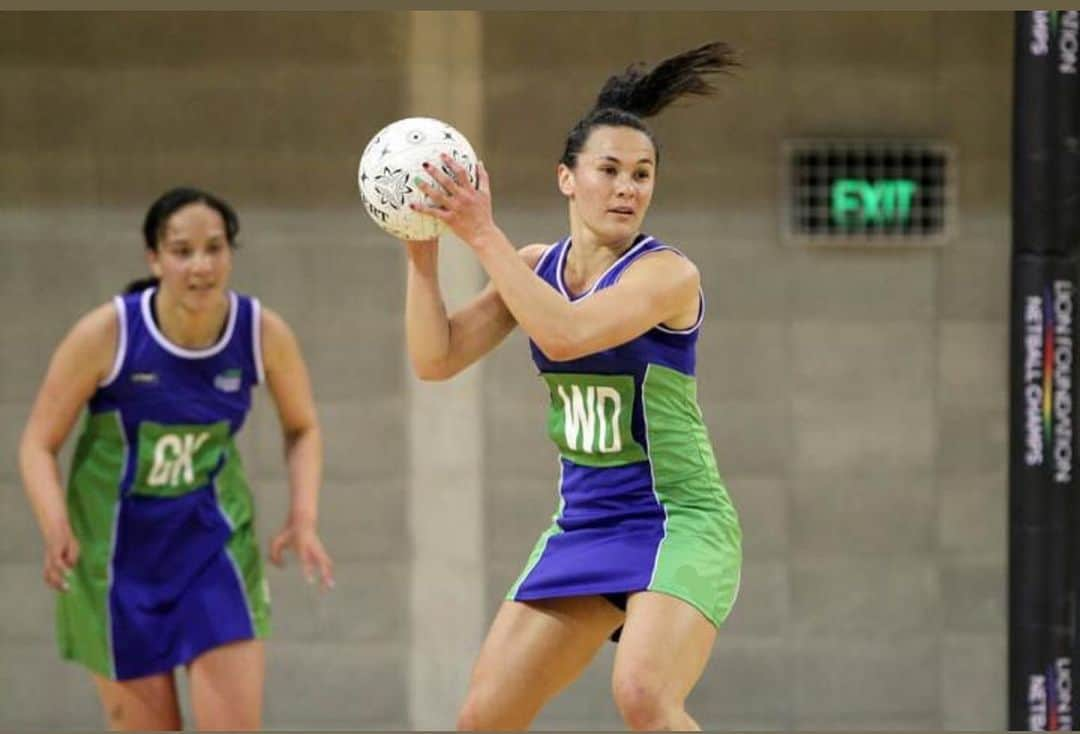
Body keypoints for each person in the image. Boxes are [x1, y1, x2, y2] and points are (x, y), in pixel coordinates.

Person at [400, 42, 743, 731]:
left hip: (678, 520)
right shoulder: (536, 267)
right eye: (609, 170)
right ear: (567, 179)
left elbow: (566, 334)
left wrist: (482, 232)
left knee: (644, 697)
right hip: (587, 521)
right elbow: (435, 360)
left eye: (642, 174)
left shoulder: (667, 274)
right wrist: (424, 254)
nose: (628, 188)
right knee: (482, 719)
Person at [19, 186, 334, 732]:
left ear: (231, 254)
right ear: (154, 258)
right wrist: (54, 526)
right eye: (182, 250)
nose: (200, 265)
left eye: (214, 248)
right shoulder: (108, 334)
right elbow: (37, 444)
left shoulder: (260, 333)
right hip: (116, 561)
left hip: (211, 548)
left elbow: (302, 426)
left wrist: (303, 517)